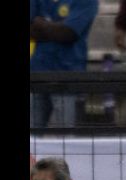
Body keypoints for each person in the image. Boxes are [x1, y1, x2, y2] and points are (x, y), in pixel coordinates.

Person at [30, 0, 99, 128]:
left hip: (68, 77)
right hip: (37, 74)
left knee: (66, 137)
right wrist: (55, 27)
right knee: (32, 136)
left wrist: (40, 24)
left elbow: (68, 33)